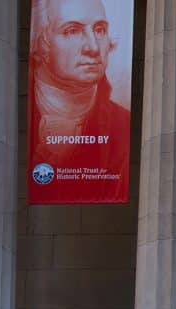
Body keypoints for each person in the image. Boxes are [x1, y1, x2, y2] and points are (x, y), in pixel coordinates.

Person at [29, 0, 130, 201]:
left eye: (100, 30)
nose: (93, 48)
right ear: (41, 43)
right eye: (72, 31)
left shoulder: (123, 123)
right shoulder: (18, 115)